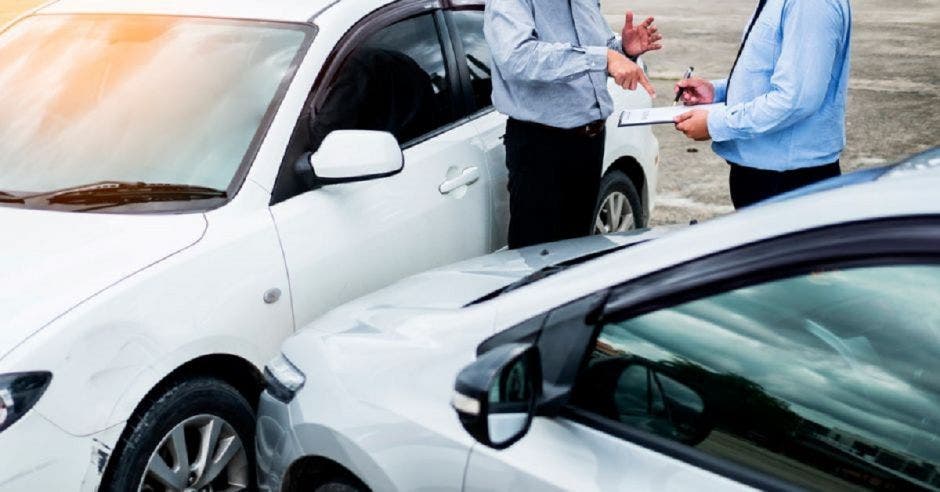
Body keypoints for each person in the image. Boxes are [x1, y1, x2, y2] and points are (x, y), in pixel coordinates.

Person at [485, 2, 661, 249]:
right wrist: (604, 58)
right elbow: (517, 58)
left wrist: (622, 49)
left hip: (590, 140)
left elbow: (595, 49)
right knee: (538, 259)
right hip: (542, 146)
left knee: (576, 249)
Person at [673, 0, 853, 209]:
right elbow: (769, 74)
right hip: (766, 175)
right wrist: (717, 92)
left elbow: (795, 100)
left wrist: (715, 124)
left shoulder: (810, 4)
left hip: (790, 182)